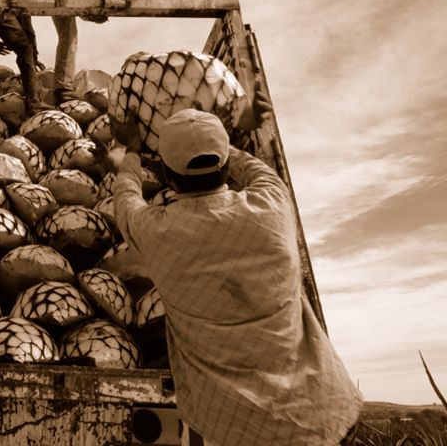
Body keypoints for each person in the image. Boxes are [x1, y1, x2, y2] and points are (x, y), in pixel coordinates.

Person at [110, 108, 362, 445]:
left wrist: (132, 151)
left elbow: (125, 197)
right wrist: (229, 134)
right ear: (226, 166)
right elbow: (255, 170)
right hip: (324, 413)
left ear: (168, 179)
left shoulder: (155, 231)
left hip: (238, 429)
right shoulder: (273, 204)